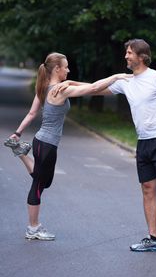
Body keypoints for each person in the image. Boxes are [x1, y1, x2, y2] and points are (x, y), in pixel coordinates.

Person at [55, 39, 156, 252]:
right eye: (126, 53)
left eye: (129, 53)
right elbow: (95, 89)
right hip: (143, 141)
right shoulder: (126, 82)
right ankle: (154, 239)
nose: (126, 56)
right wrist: (71, 83)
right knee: (147, 189)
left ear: (142, 56)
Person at [4, 52, 131, 241]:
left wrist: (18, 133)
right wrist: (117, 76)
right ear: (57, 69)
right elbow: (94, 87)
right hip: (46, 144)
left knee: (44, 181)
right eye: (66, 66)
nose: (69, 69)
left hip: (44, 142)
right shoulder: (60, 90)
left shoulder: (46, 87)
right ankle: (33, 228)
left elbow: (32, 113)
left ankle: (22, 152)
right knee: (38, 185)